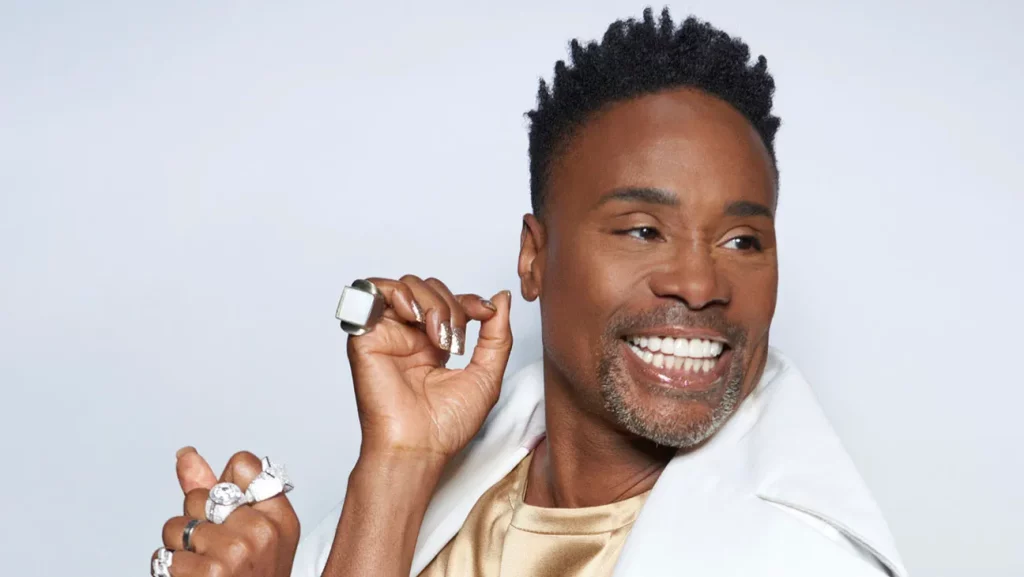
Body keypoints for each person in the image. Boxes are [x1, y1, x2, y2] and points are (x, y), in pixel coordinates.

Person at [151, 8, 907, 577]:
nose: (702, 283)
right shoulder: (467, 476)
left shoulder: (800, 559)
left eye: (743, 240)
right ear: (534, 257)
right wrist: (398, 466)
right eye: (643, 229)